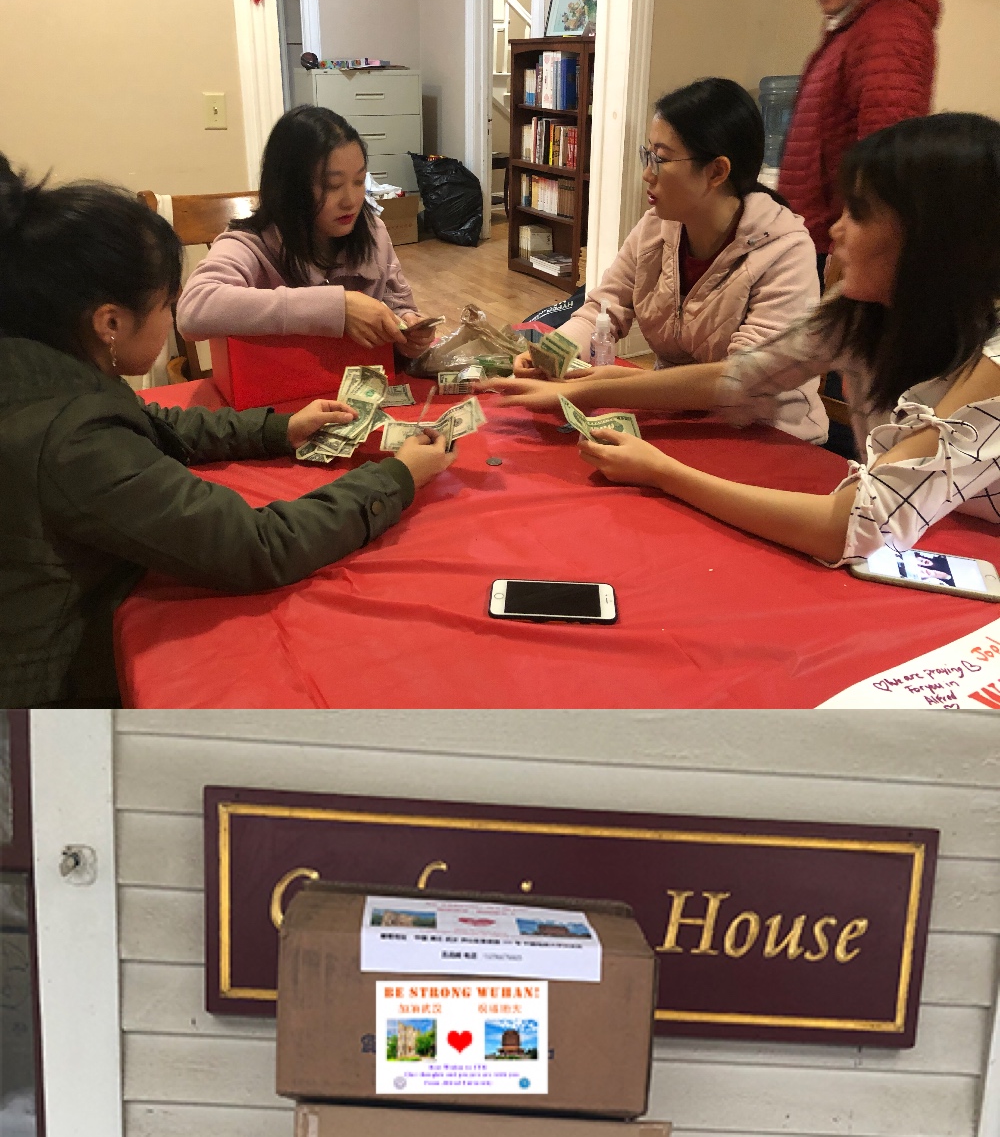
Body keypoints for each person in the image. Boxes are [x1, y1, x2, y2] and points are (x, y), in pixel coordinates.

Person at [0, 163, 454, 708]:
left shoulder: (44, 364)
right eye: (166, 304)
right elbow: (255, 546)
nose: (172, 317)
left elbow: (154, 421)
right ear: (110, 323)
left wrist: (280, 428)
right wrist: (397, 477)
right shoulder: (75, 439)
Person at [492, 114, 1000, 569]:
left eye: (860, 214)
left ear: (935, 241)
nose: (836, 229)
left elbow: (850, 527)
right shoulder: (859, 313)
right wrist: (584, 388)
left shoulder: (991, 363)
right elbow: (740, 376)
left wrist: (664, 473)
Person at [515, 78, 827, 444]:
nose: (647, 173)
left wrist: (596, 388)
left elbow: (741, 380)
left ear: (717, 171)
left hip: (769, 436)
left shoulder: (785, 251)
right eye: (647, 156)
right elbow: (602, 309)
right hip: (680, 418)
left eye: (660, 159)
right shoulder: (657, 227)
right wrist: (550, 355)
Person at [177, 106, 432, 356]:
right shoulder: (250, 244)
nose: (351, 201)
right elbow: (193, 310)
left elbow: (398, 305)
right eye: (332, 185)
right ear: (290, 188)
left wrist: (408, 330)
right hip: (280, 381)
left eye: (359, 181)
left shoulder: (373, 232)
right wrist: (338, 307)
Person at [778, 0, 940, 273]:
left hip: (836, 246)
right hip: (817, 238)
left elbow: (887, 155)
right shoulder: (857, 23)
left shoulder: (890, 24)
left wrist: (849, 252)